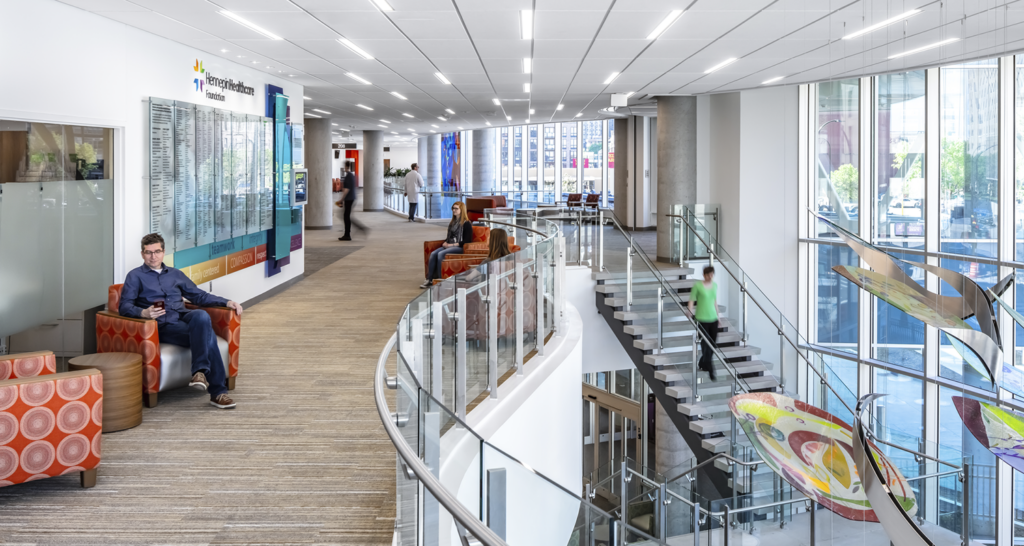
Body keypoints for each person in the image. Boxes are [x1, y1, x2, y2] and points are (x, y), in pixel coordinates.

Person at [119, 233, 241, 409]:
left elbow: (198, 296)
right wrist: (144, 312)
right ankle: (218, 392)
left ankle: (199, 373)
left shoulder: (176, 274)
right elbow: (124, 306)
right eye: (148, 252)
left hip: (183, 316)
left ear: (163, 252)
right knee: (209, 337)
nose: (153, 256)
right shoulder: (135, 276)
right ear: (142, 254)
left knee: (201, 315)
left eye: (157, 251)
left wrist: (227, 302)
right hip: (163, 325)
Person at [421, 201, 473, 289]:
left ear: (462, 210)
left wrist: (451, 245)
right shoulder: (452, 222)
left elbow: (467, 241)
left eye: (456, 208)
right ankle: (430, 279)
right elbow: (450, 237)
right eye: (453, 208)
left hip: (459, 247)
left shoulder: (466, 223)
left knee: (441, 254)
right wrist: (445, 242)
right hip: (450, 244)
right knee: (433, 254)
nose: (454, 210)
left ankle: (440, 280)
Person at [688, 266, 719, 382]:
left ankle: (702, 362)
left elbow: (715, 301)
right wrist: (689, 311)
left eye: (712, 275)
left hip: (713, 319)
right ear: (704, 275)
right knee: (706, 345)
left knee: (713, 345)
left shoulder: (715, 285)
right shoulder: (697, 286)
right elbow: (691, 299)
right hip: (701, 319)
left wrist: (718, 316)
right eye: (708, 275)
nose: (710, 277)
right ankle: (711, 369)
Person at [338, 162, 368, 241]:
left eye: (344, 166)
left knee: (346, 217)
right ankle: (349, 233)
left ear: (346, 166)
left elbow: (347, 189)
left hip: (349, 199)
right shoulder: (352, 175)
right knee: (347, 216)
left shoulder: (348, 176)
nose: (344, 168)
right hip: (352, 198)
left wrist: (341, 199)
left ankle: (348, 234)